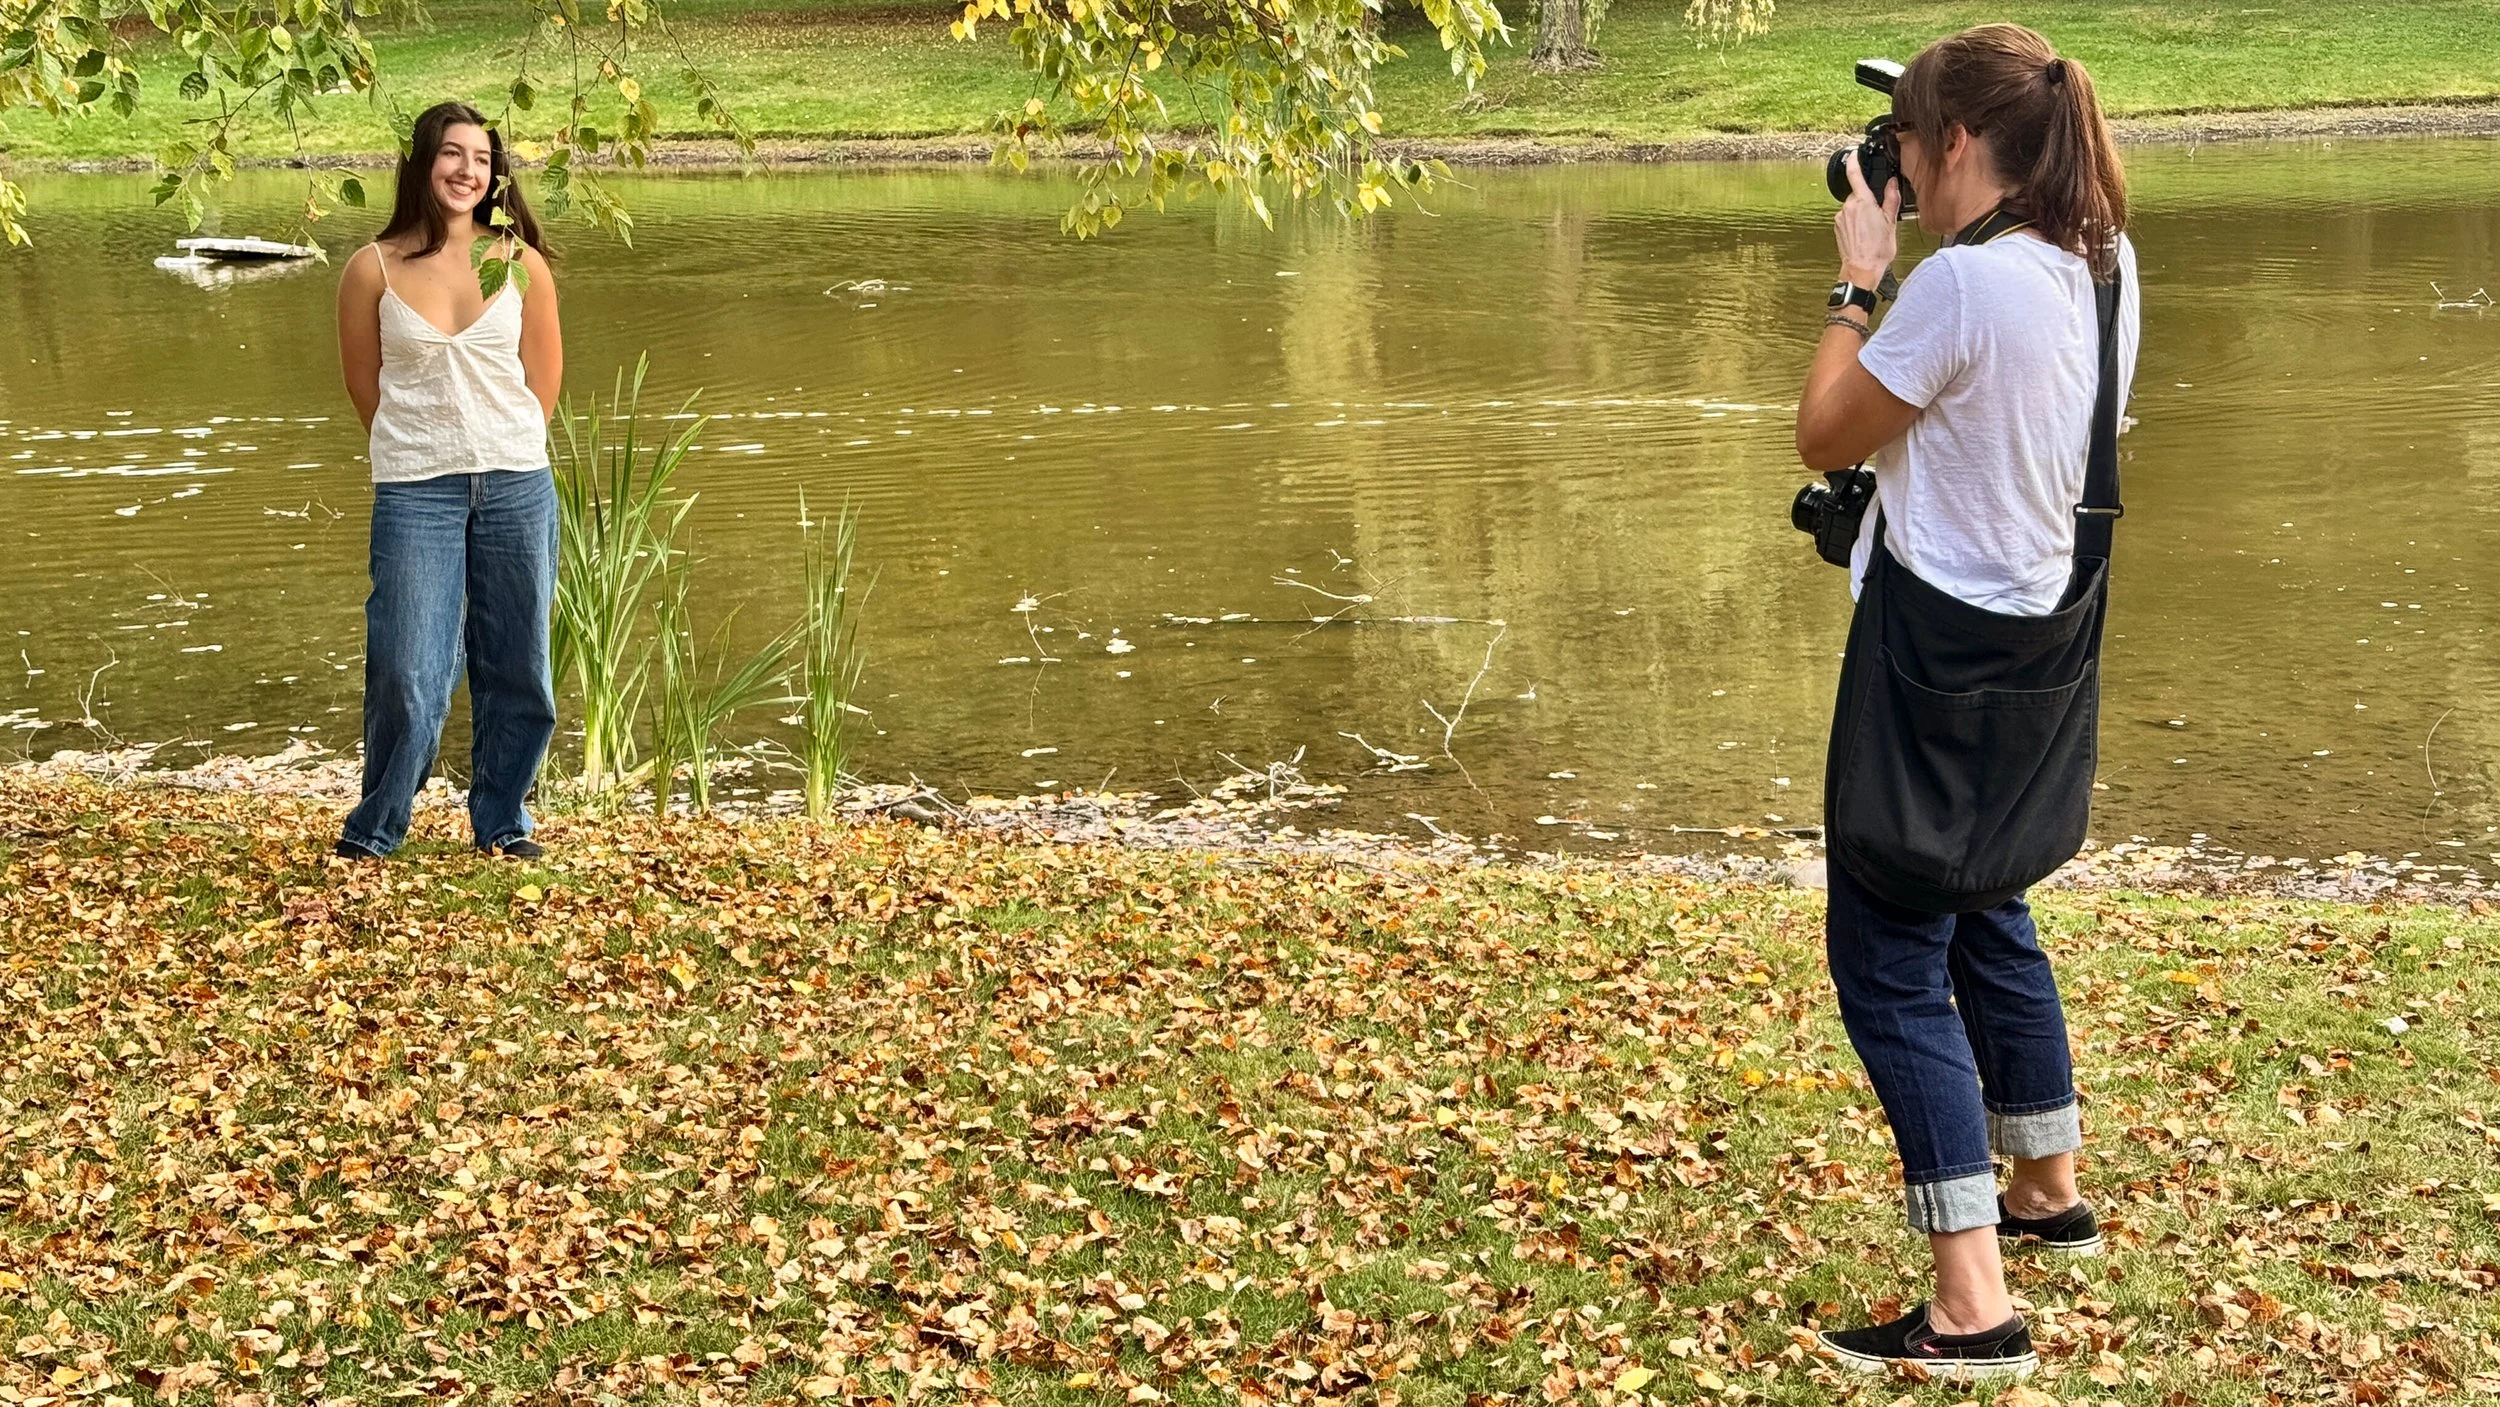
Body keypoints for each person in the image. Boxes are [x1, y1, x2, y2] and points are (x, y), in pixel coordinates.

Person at [1792, 24, 2140, 1381]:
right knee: (1985, 886)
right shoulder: (2107, 268)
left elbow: (1825, 432)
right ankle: (2046, 1181)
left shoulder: (1959, 288)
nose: (1900, 174)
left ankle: (1971, 1302)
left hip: (1932, 658)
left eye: (1909, 151)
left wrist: (1853, 283)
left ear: (1949, 148)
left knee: (1888, 949)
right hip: (2046, 639)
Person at [334, 101, 564, 860]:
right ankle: (377, 826)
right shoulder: (371, 268)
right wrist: (420, 447)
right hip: (414, 490)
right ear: (423, 161)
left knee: (519, 665)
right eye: (452, 154)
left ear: (496, 173)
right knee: (407, 667)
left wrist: (499, 443)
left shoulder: (519, 262)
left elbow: (543, 382)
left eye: (482, 158)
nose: (468, 170)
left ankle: (501, 821)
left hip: (516, 484)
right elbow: (365, 386)